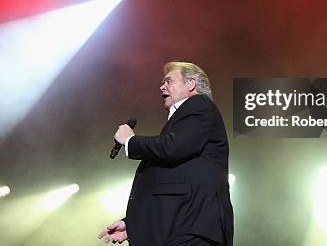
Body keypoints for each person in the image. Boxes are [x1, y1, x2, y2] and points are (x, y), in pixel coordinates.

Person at [99, 61, 234, 245]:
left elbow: (172, 147)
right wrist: (132, 224)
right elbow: (167, 183)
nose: (162, 86)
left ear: (190, 84)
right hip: (181, 229)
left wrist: (130, 140)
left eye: (168, 81)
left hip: (193, 229)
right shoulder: (185, 119)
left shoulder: (200, 106)